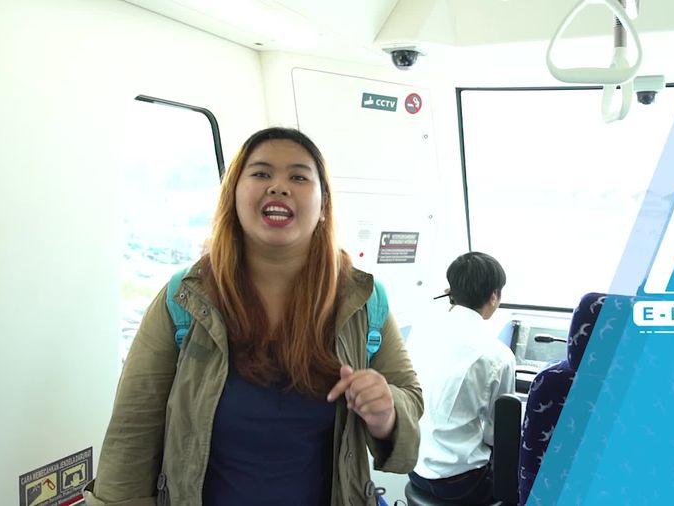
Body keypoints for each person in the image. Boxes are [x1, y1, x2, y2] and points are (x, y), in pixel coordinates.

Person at [84, 127, 423, 506]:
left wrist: (386, 411)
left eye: (298, 176)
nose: (279, 186)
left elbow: (408, 397)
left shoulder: (363, 299)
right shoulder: (184, 298)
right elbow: (133, 430)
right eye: (261, 173)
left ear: (324, 204)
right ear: (233, 195)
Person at [406, 252, 515, 504]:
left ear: (451, 291)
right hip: (459, 484)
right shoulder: (498, 355)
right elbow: (497, 434)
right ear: (494, 296)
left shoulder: (421, 331)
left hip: (414, 469)